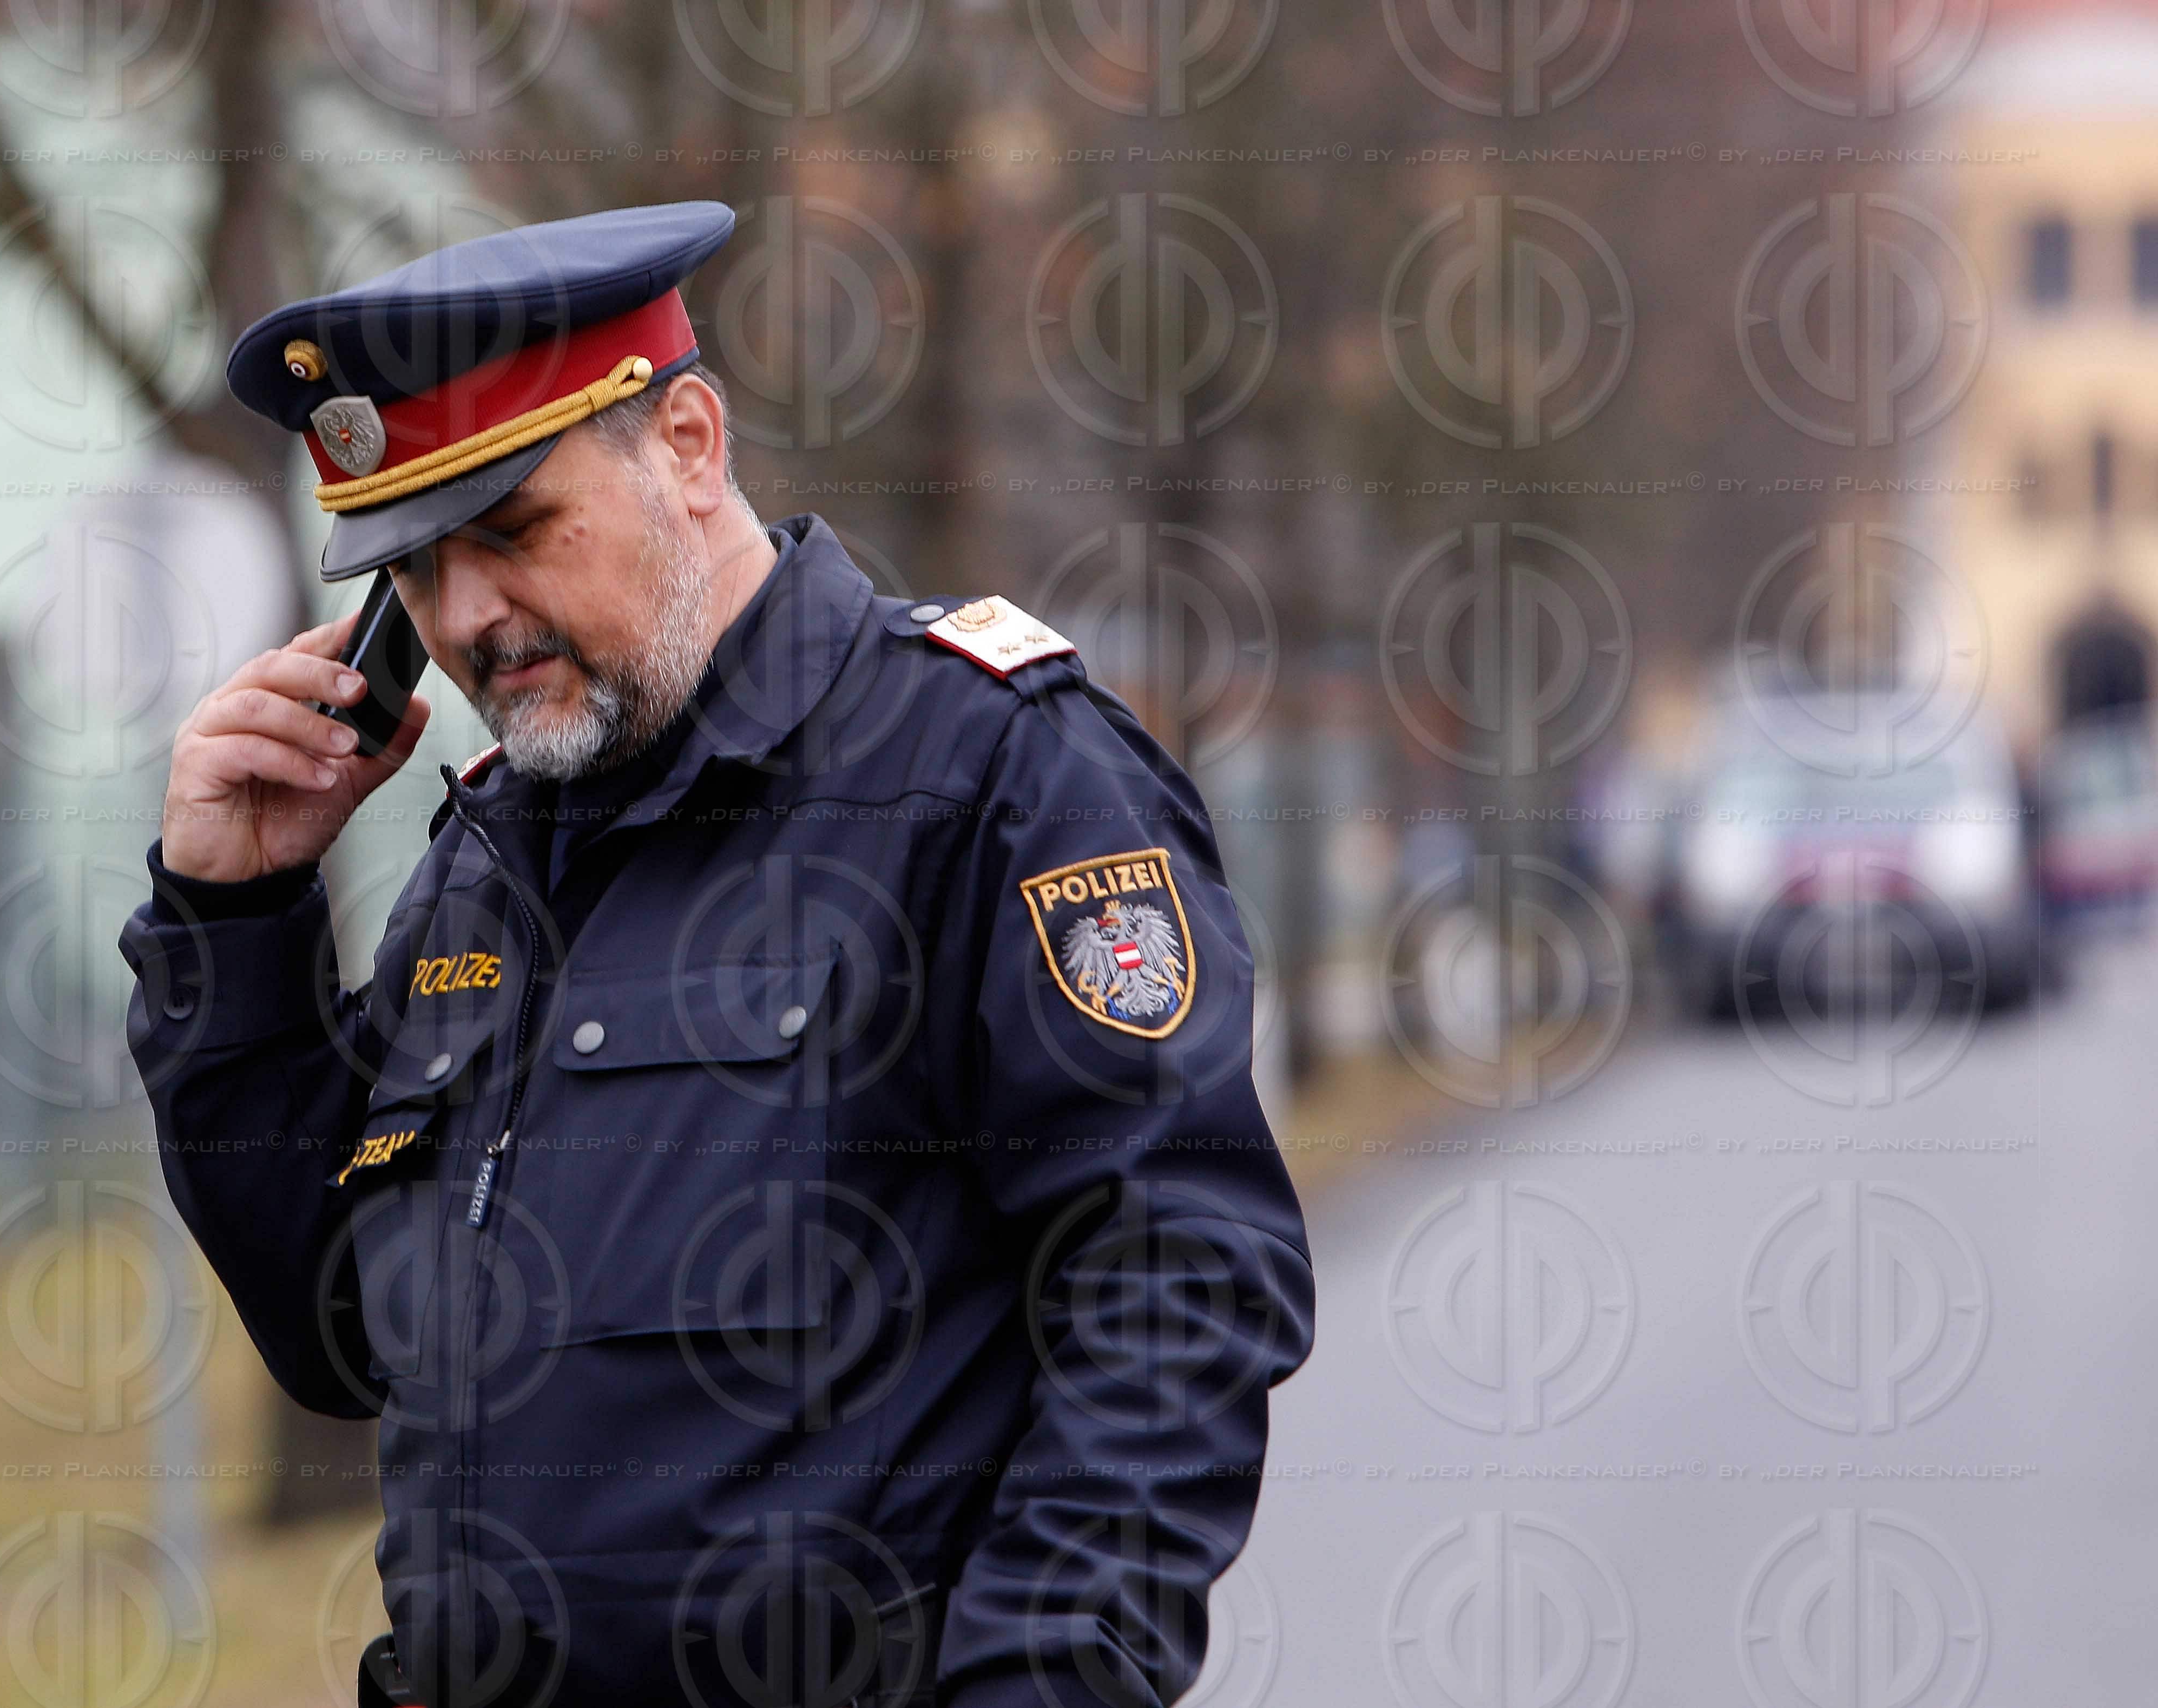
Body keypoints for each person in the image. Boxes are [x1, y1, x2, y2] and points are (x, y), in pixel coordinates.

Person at [119, 200, 1315, 1708]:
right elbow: (337, 1332)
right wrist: (234, 925)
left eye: (513, 530)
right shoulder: (493, 857)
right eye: (417, 567)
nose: (472, 613)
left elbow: (1175, 1295)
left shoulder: (984, 776)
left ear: (687, 442)